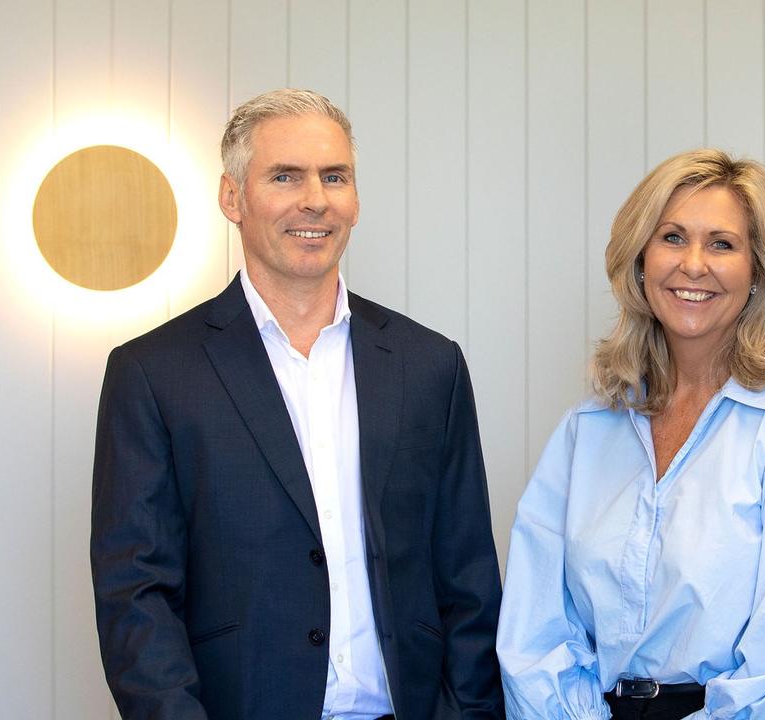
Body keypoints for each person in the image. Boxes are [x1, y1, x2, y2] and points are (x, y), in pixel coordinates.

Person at [90, 89, 505, 720]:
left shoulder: (430, 365)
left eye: (334, 177)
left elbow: (469, 576)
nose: (315, 199)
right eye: (285, 176)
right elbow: (136, 597)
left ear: (356, 200)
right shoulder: (153, 373)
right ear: (233, 197)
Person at [496, 149, 765, 719]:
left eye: (722, 244)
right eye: (672, 237)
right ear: (641, 260)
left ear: (758, 272)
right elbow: (535, 627)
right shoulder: (590, 426)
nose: (693, 264)